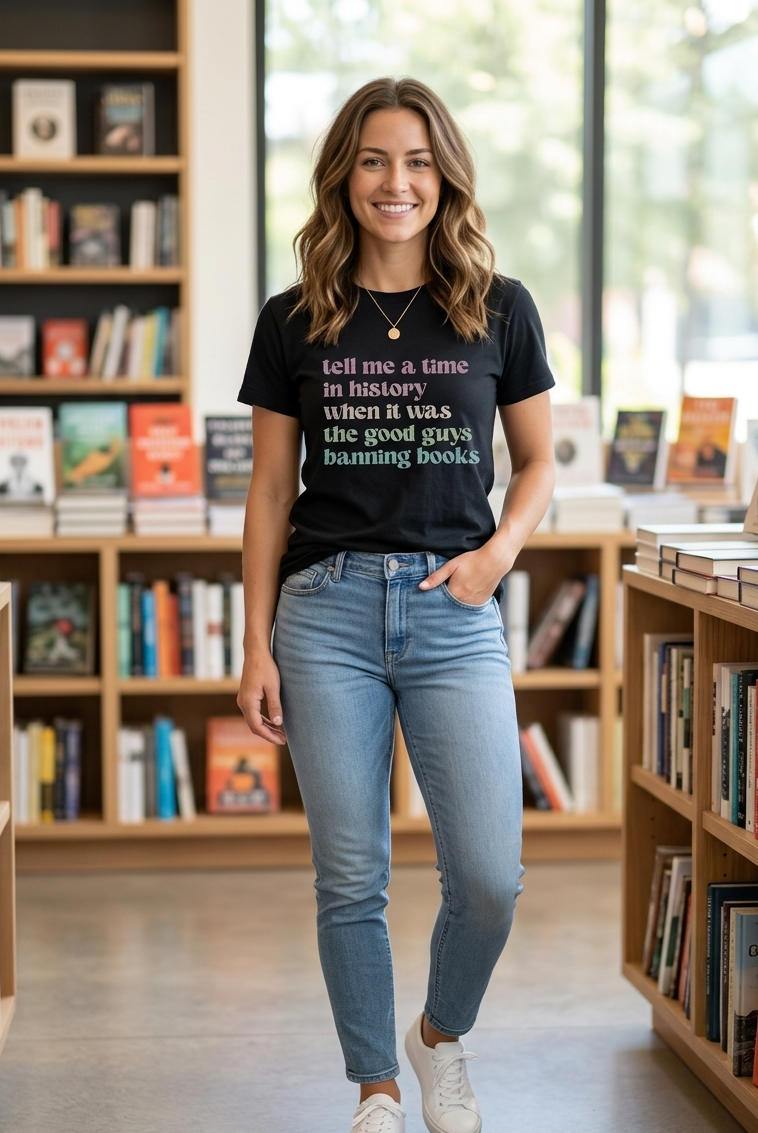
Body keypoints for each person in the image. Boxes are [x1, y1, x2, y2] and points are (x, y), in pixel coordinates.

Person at [237, 76, 555, 1133]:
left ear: (443, 176)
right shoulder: (294, 320)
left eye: (416, 161)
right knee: (350, 873)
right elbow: (270, 492)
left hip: (451, 608)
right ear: (343, 175)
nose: (395, 181)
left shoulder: (496, 305)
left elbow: (539, 461)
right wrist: (254, 645)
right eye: (374, 159)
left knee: (488, 874)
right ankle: (375, 1085)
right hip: (322, 610)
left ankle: (436, 1038)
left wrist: (494, 557)